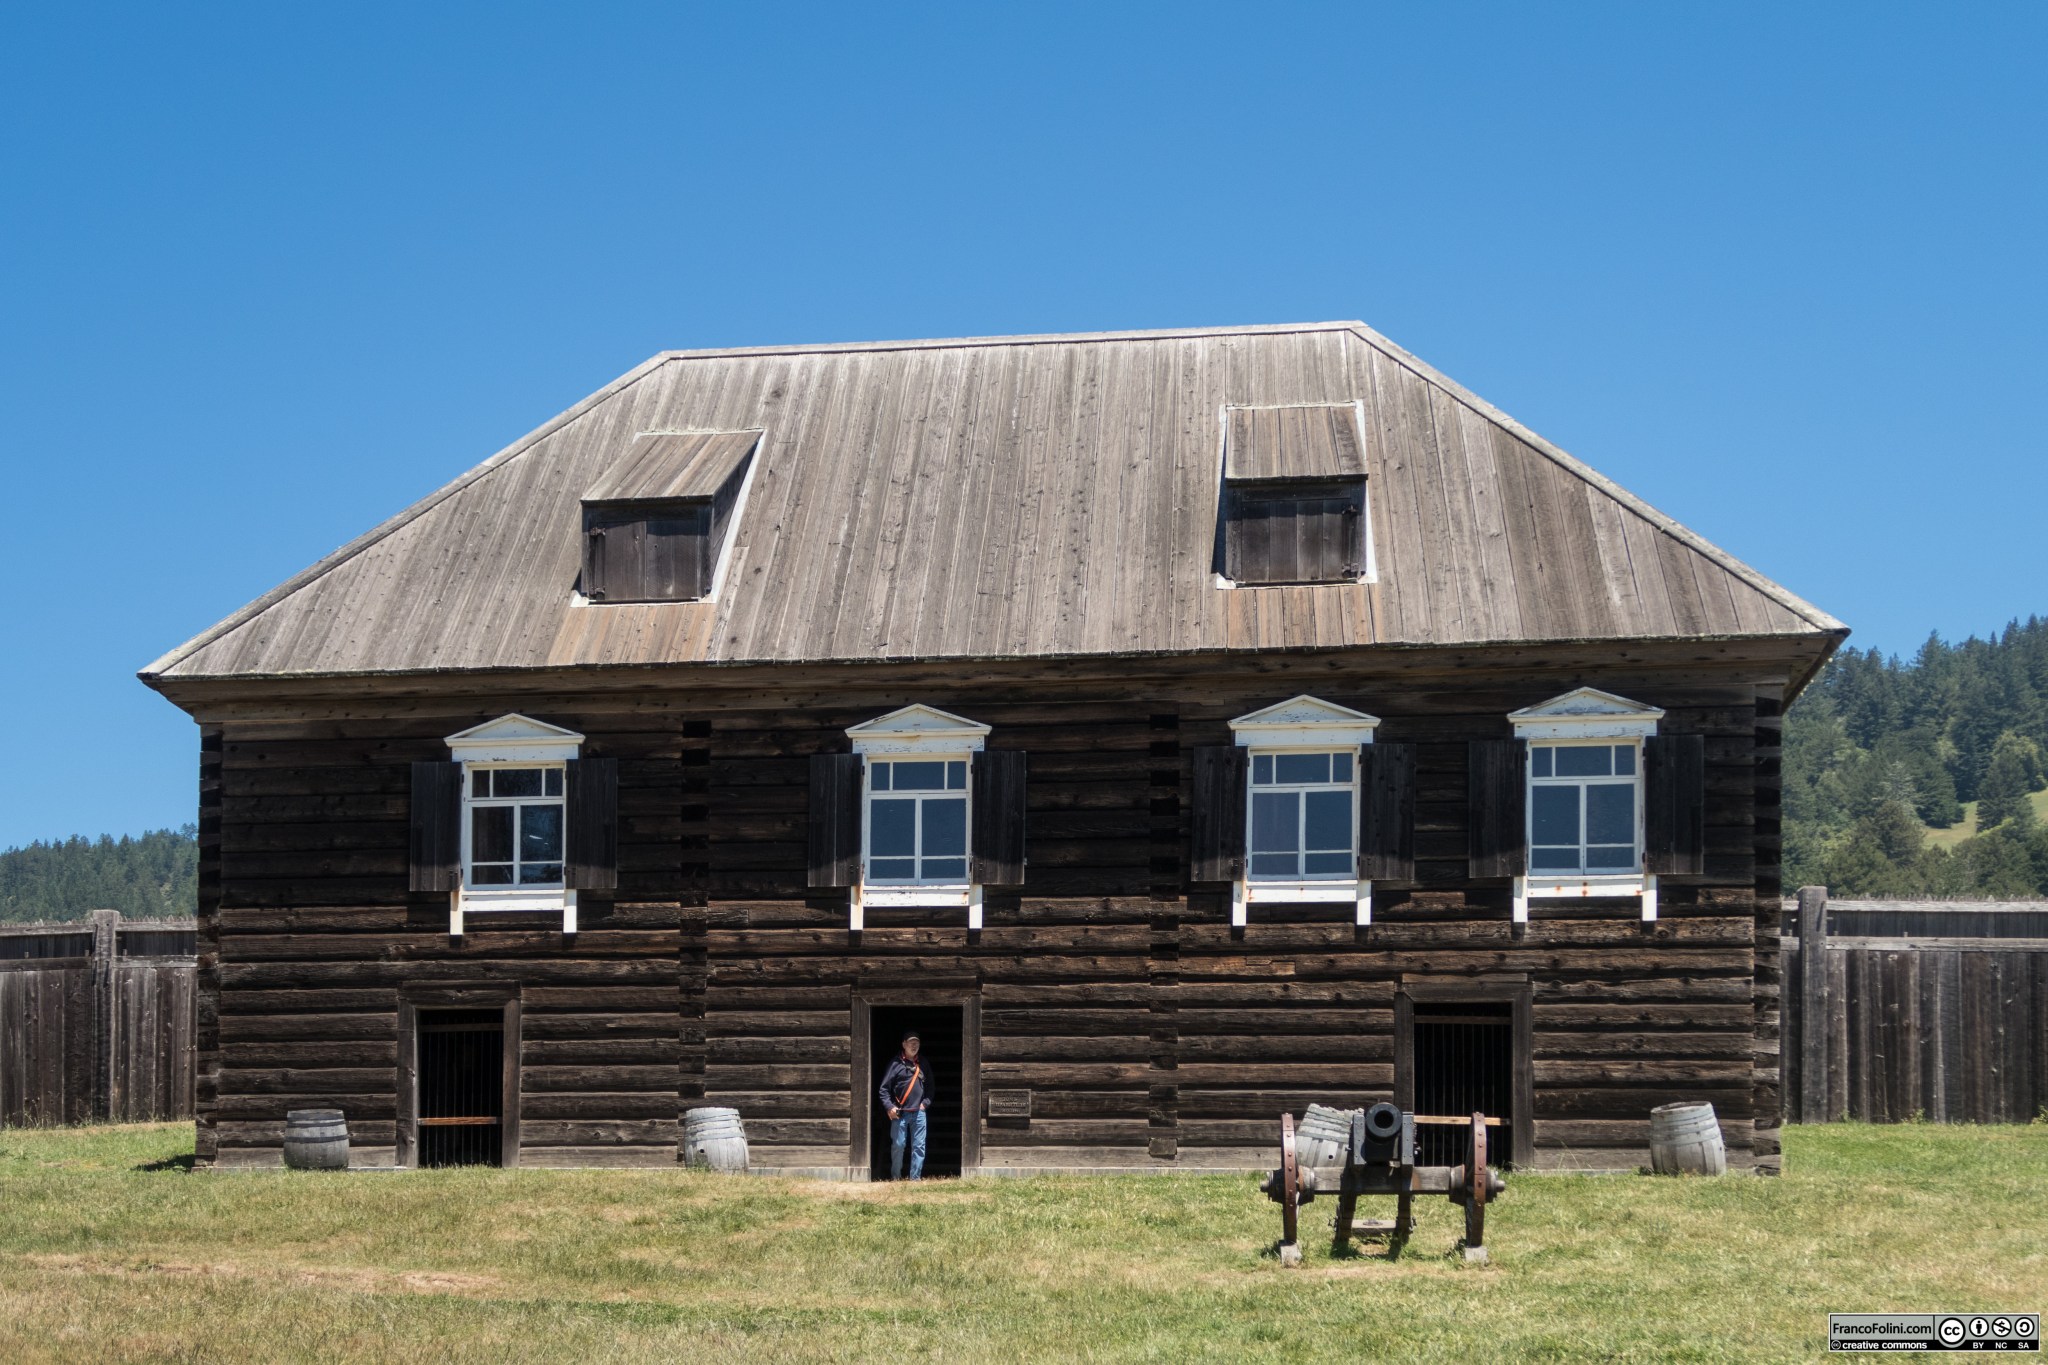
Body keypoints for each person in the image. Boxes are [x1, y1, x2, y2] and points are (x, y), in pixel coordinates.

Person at [877, 1030, 933, 1180]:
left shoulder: (924, 1063)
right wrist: (889, 1107)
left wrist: (924, 1104)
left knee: (919, 1147)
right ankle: (896, 1178)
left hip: (919, 1112)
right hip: (900, 1113)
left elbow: (930, 1088)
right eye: (911, 1042)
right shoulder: (895, 1064)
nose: (914, 1045)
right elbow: (883, 1089)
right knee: (898, 1146)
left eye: (917, 1043)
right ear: (904, 1044)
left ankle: (915, 1179)